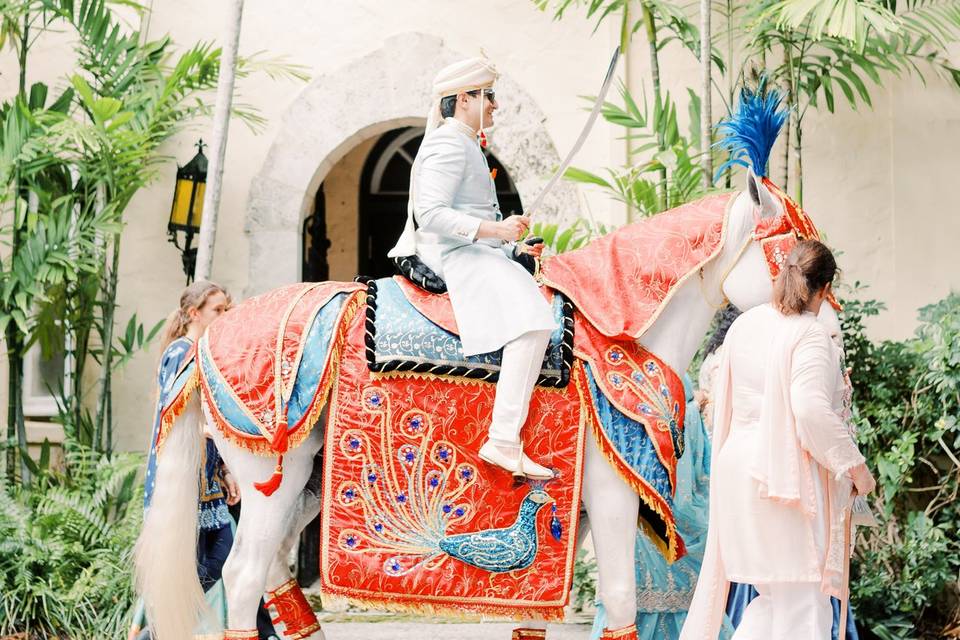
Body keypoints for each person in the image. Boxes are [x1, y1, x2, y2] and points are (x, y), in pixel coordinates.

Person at [680, 240, 876, 640]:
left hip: (739, 471)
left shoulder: (746, 324)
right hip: (782, 478)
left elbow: (722, 403)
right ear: (825, 289)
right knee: (804, 605)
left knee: (771, 600)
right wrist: (855, 467)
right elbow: (810, 411)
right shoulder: (810, 334)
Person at [388, 56, 558, 480]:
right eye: (489, 96)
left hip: (477, 252)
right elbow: (430, 214)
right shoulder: (449, 142)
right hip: (456, 257)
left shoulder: (464, 141)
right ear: (464, 98)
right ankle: (503, 439)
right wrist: (496, 229)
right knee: (534, 323)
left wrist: (512, 244)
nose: (495, 105)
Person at [131, 281, 276, 640]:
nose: (225, 316)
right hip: (180, 485)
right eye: (218, 310)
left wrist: (226, 469)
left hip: (208, 480)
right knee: (196, 567)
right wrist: (213, 431)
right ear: (194, 313)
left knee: (226, 557)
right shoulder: (180, 352)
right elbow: (173, 414)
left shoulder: (207, 353)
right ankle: (158, 631)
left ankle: (162, 629)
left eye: (227, 309)